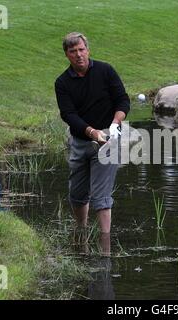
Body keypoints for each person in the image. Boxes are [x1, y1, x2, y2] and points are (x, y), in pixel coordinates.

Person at [54, 32, 130, 238]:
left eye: (81, 49)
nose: (78, 55)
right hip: (80, 141)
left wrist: (115, 123)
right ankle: (82, 234)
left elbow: (123, 100)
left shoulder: (105, 71)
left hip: (108, 140)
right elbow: (68, 115)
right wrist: (91, 132)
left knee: (101, 197)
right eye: (73, 51)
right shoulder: (62, 83)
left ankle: (105, 246)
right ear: (67, 55)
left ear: (87, 50)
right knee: (77, 195)